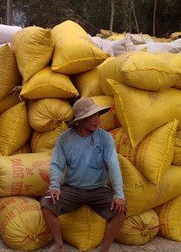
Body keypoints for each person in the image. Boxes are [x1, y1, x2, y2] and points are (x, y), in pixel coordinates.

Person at [41, 97, 127, 252]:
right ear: (80, 120)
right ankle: (59, 244)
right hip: (72, 188)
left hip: (98, 189)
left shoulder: (105, 138)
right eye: (91, 117)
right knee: (46, 204)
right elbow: (56, 165)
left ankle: (104, 249)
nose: (97, 120)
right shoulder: (64, 139)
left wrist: (119, 194)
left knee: (120, 211)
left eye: (98, 115)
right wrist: (54, 187)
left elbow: (113, 165)